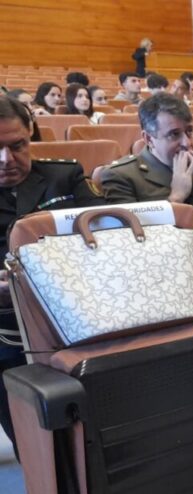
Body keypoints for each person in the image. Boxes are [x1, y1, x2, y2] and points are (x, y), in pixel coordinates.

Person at [0, 97, 105, 456]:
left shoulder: (65, 176)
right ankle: (37, 463)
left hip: (70, 308)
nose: (7, 160)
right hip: (6, 322)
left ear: (30, 134)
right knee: (33, 432)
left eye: (17, 146)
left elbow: (105, 240)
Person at [102, 93, 193, 232]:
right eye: (174, 134)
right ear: (149, 139)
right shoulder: (122, 177)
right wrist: (175, 199)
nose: (187, 143)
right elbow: (131, 238)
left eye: (189, 131)